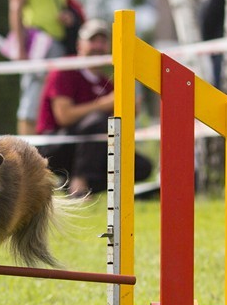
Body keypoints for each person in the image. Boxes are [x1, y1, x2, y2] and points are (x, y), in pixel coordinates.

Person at [35, 19, 152, 197]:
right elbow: (64, 117)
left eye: (103, 41)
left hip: (91, 147)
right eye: (93, 40)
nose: (98, 46)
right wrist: (103, 104)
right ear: (79, 44)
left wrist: (131, 109)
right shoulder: (64, 70)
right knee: (97, 122)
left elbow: (119, 123)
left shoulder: (107, 83)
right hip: (54, 145)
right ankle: (79, 182)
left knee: (141, 167)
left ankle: (76, 185)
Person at [8, 0, 78, 135]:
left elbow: (65, 1)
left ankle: (40, 153)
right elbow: (16, 7)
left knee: (55, 99)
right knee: (32, 98)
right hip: (38, 42)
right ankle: (24, 154)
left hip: (60, 42)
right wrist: (21, 50)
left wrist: (67, 17)